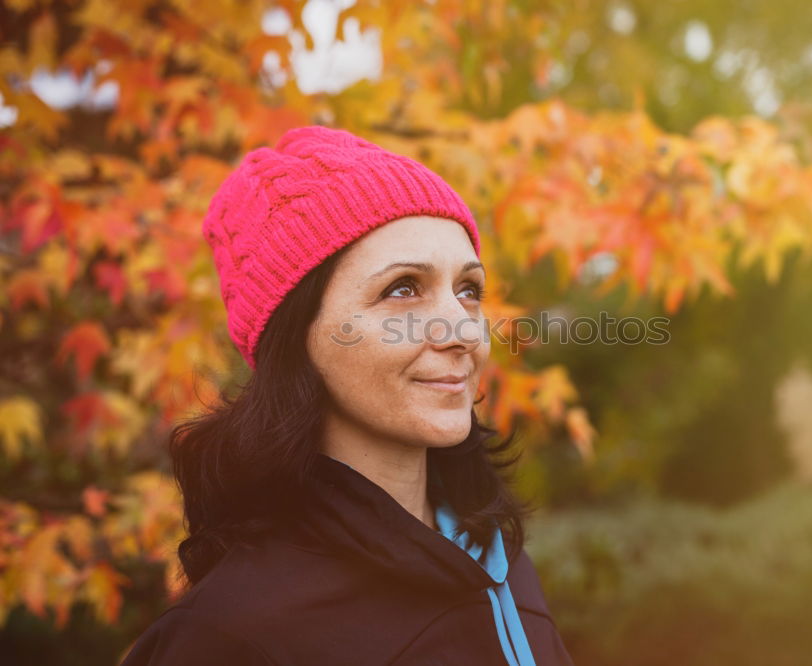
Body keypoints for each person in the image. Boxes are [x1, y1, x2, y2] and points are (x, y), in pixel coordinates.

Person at [118, 126, 575, 666]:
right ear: (296, 336)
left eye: (468, 290)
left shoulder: (499, 560)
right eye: (402, 289)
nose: (466, 332)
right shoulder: (232, 635)